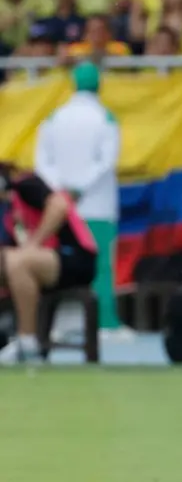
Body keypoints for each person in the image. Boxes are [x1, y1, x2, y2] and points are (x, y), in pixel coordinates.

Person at [34, 61, 121, 330]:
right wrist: (80, 188)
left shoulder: (53, 117)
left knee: (59, 263)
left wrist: (61, 190)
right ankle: (104, 323)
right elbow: (106, 160)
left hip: (60, 208)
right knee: (102, 266)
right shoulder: (106, 118)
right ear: (99, 84)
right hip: (97, 205)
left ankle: (55, 323)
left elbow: (41, 160)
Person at [0, 162, 97, 364]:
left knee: (17, 261)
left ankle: (27, 345)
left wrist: (34, 244)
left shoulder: (26, 185)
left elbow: (59, 205)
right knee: (10, 261)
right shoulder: (9, 215)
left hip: (75, 258)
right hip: (42, 265)